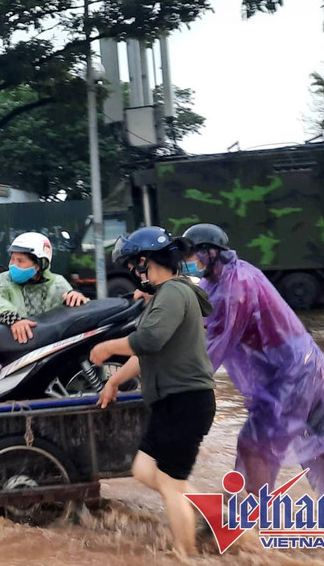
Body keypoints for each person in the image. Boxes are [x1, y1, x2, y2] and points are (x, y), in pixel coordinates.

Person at [184, 223, 324, 499]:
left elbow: (215, 343)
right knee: (323, 444)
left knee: (254, 444)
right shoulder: (219, 280)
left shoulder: (236, 287)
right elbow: (198, 316)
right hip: (304, 367)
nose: (188, 263)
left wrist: (185, 382)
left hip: (292, 374)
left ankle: (250, 515)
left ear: (210, 253)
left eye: (191, 257)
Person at [91, 226, 215, 556]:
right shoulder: (167, 295)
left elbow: (149, 340)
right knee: (145, 470)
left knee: (171, 486)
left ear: (147, 261)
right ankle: (220, 518)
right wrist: (115, 380)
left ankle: (184, 555)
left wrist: (106, 348)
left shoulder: (173, 293)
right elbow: (148, 354)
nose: (134, 273)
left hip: (186, 401)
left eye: (135, 266)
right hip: (171, 402)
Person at [0, 232, 88, 346]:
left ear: (38, 265)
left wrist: (75, 296)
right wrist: (13, 319)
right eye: (12, 259)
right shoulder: (5, 279)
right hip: (14, 346)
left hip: (51, 345)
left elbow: (74, 310)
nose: (13, 265)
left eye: (20, 261)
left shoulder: (57, 283)